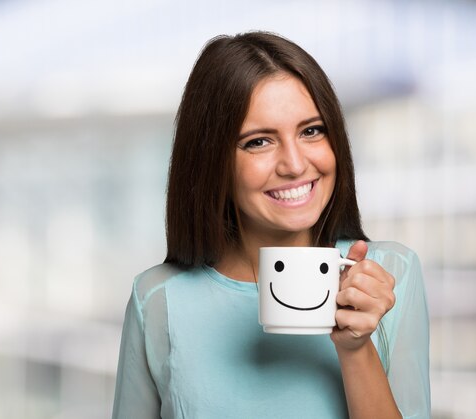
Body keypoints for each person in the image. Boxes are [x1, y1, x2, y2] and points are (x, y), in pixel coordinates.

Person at [112, 31, 430, 419]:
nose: (294, 165)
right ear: (212, 162)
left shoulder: (390, 274)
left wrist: (355, 348)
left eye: (311, 130)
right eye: (259, 141)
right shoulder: (158, 299)